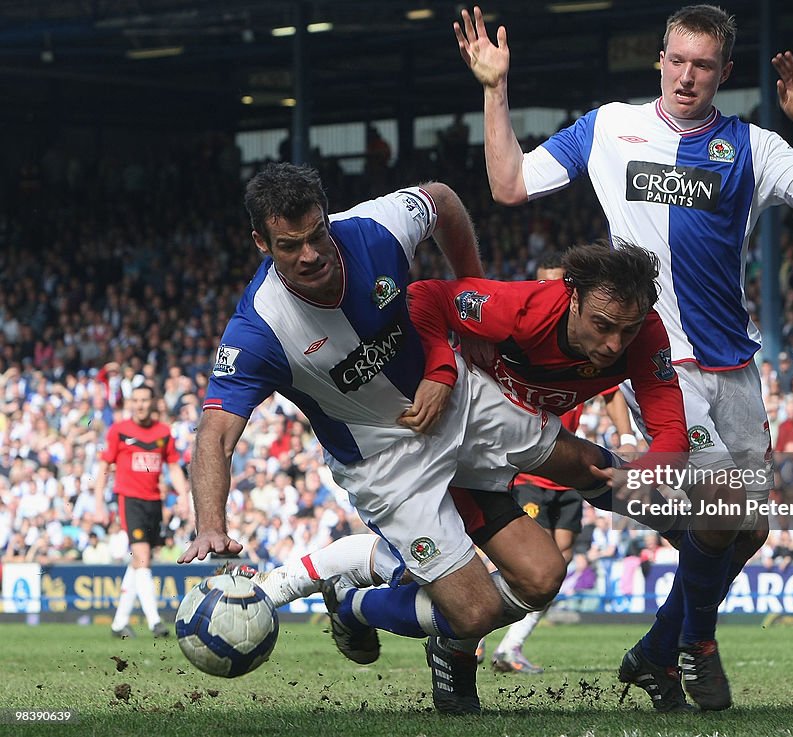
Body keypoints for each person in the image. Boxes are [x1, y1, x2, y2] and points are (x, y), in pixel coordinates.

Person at [455, 3, 793, 711]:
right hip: (657, 360)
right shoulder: (610, 126)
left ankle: (654, 651)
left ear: (724, 73)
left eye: (704, 65)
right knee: (724, 507)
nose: (688, 76)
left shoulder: (753, 148)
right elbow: (510, 184)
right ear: (660, 61)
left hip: (734, 365)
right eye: (678, 59)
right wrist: (495, 89)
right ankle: (693, 648)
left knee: (749, 529)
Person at [178, 163, 630, 716]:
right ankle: (354, 604)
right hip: (386, 466)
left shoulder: (375, 228)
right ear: (261, 243)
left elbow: (442, 198)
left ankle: (700, 529)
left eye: (317, 234)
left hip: (459, 403)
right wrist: (210, 524)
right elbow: (215, 434)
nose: (310, 254)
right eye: (289, 245)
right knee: (473, 614)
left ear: (328, 217)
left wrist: (474, 295)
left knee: (553, 551)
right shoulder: (259, 330)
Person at [219, 240, 690, 698]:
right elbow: (424, 295)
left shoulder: (643, 333)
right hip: (461, 432)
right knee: (470, 608)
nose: (613, 344)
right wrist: (442, 369)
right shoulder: (523, 307)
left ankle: (694, 550)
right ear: (572, 298)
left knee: (546, 574)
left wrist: (651, 469)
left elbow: (670, 424)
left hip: (517, 434)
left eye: (625, 331)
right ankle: (363, 608)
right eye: (602, 325)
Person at [93, 383, 189, 638]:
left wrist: (184, 496)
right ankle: (155, 622)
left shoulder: (164, 432)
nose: (140, 405)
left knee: (139, 561)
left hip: (154, 503)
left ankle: (118, 624)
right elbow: (104, 468)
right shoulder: (119, 431)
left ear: (153, 402)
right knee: (143, 556)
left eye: (145, 400)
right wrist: (99, 503)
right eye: (135, 400)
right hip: (130, 500)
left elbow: (174, 467)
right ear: (130, 403)